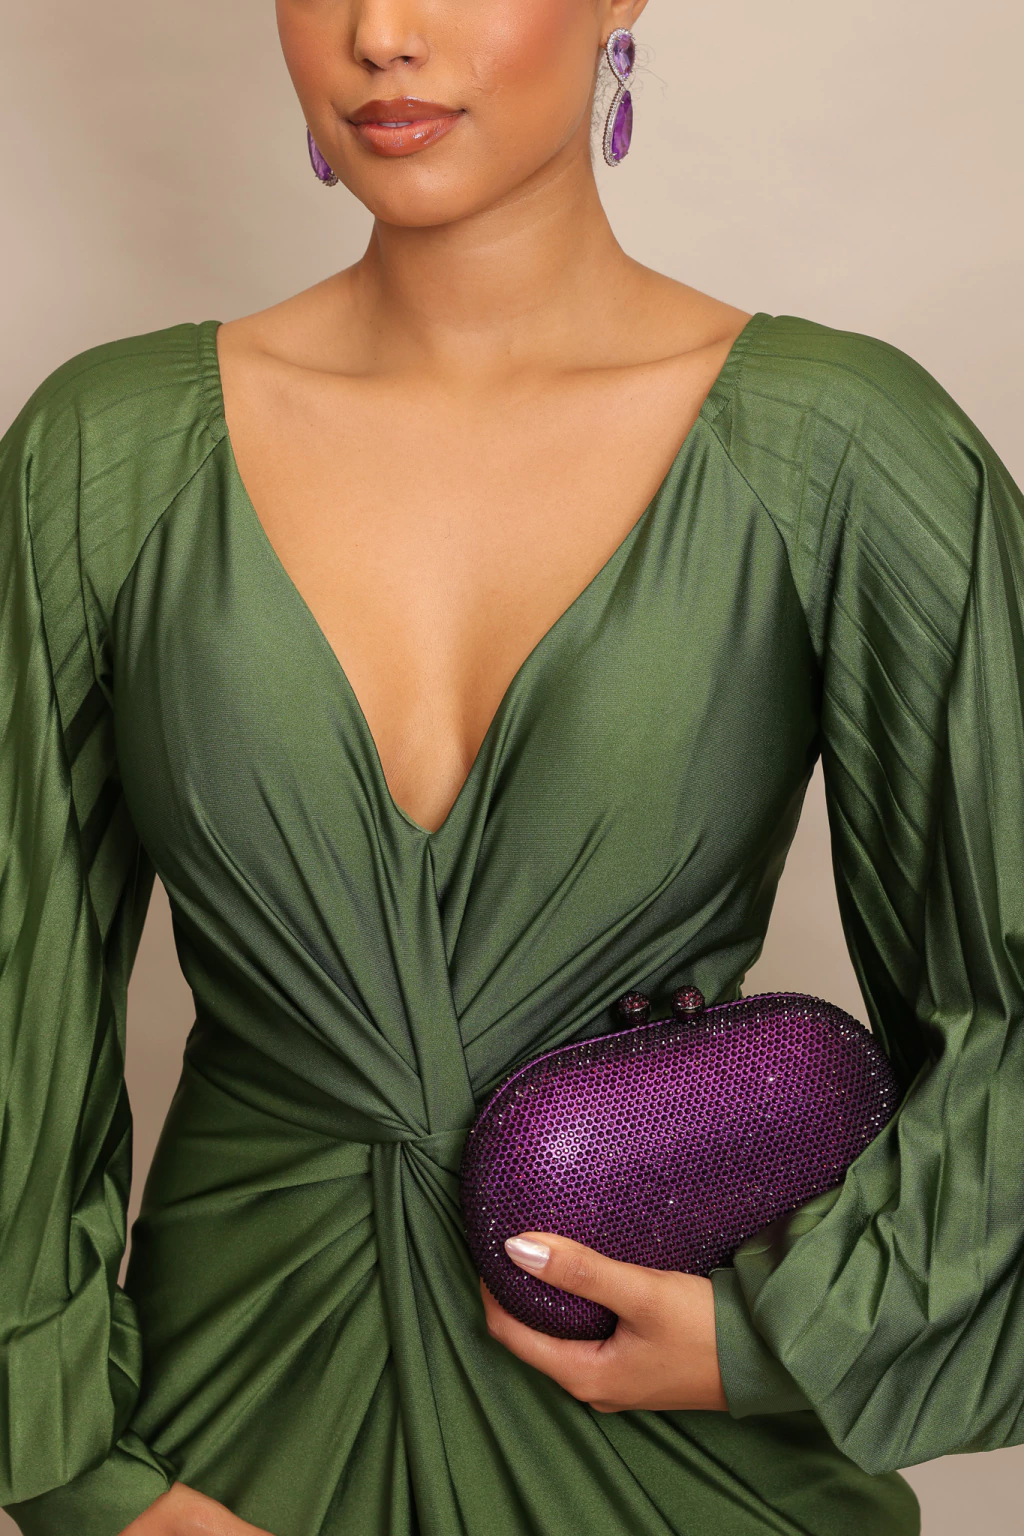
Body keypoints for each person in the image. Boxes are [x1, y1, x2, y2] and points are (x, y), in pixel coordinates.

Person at [1, 0, 1022, 1532]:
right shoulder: (107, 457)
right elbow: (13, 983)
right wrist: (80, 1480)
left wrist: (789, 1333)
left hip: (671, 1462)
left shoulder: (839, 449)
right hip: (213, 1448)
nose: (380, 32)